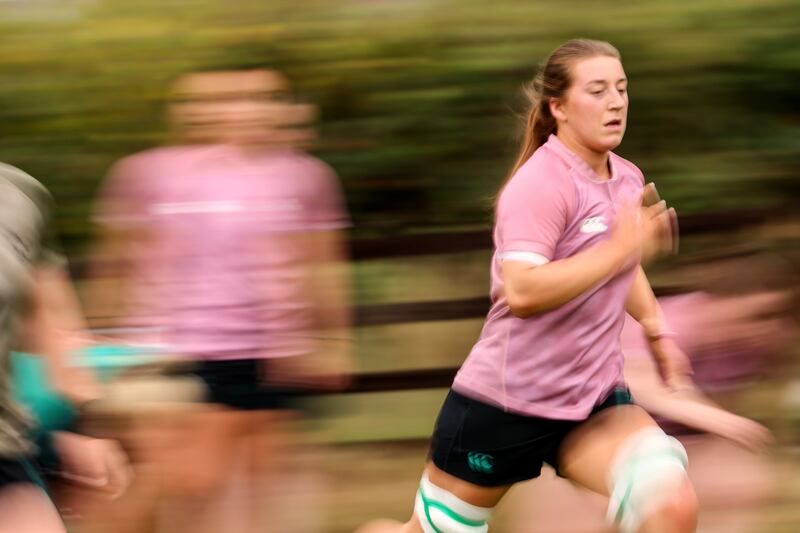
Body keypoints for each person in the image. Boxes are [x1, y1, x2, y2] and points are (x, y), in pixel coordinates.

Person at [357, 39, 697, 533]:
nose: (617, 102)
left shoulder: (626, 178)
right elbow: (523, 292)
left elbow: (619, 266)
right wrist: (622, 250)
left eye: (622, 89)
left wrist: (655, 326)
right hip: (505, 406)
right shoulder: (540, 184)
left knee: (666, 498)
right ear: (558, 107)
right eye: (598, 90)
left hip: (591, 398)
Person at [88, 65, 351, 533]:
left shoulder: (305, 175)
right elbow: (116, 262)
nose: (238, 110)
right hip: (178, 350)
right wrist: (104, 343)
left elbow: (322, 264)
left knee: (259, 484)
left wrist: (333, 338)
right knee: (188, 482)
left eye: (259, 99)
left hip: (272, 353)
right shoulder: (147, 172)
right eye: (213, 101)